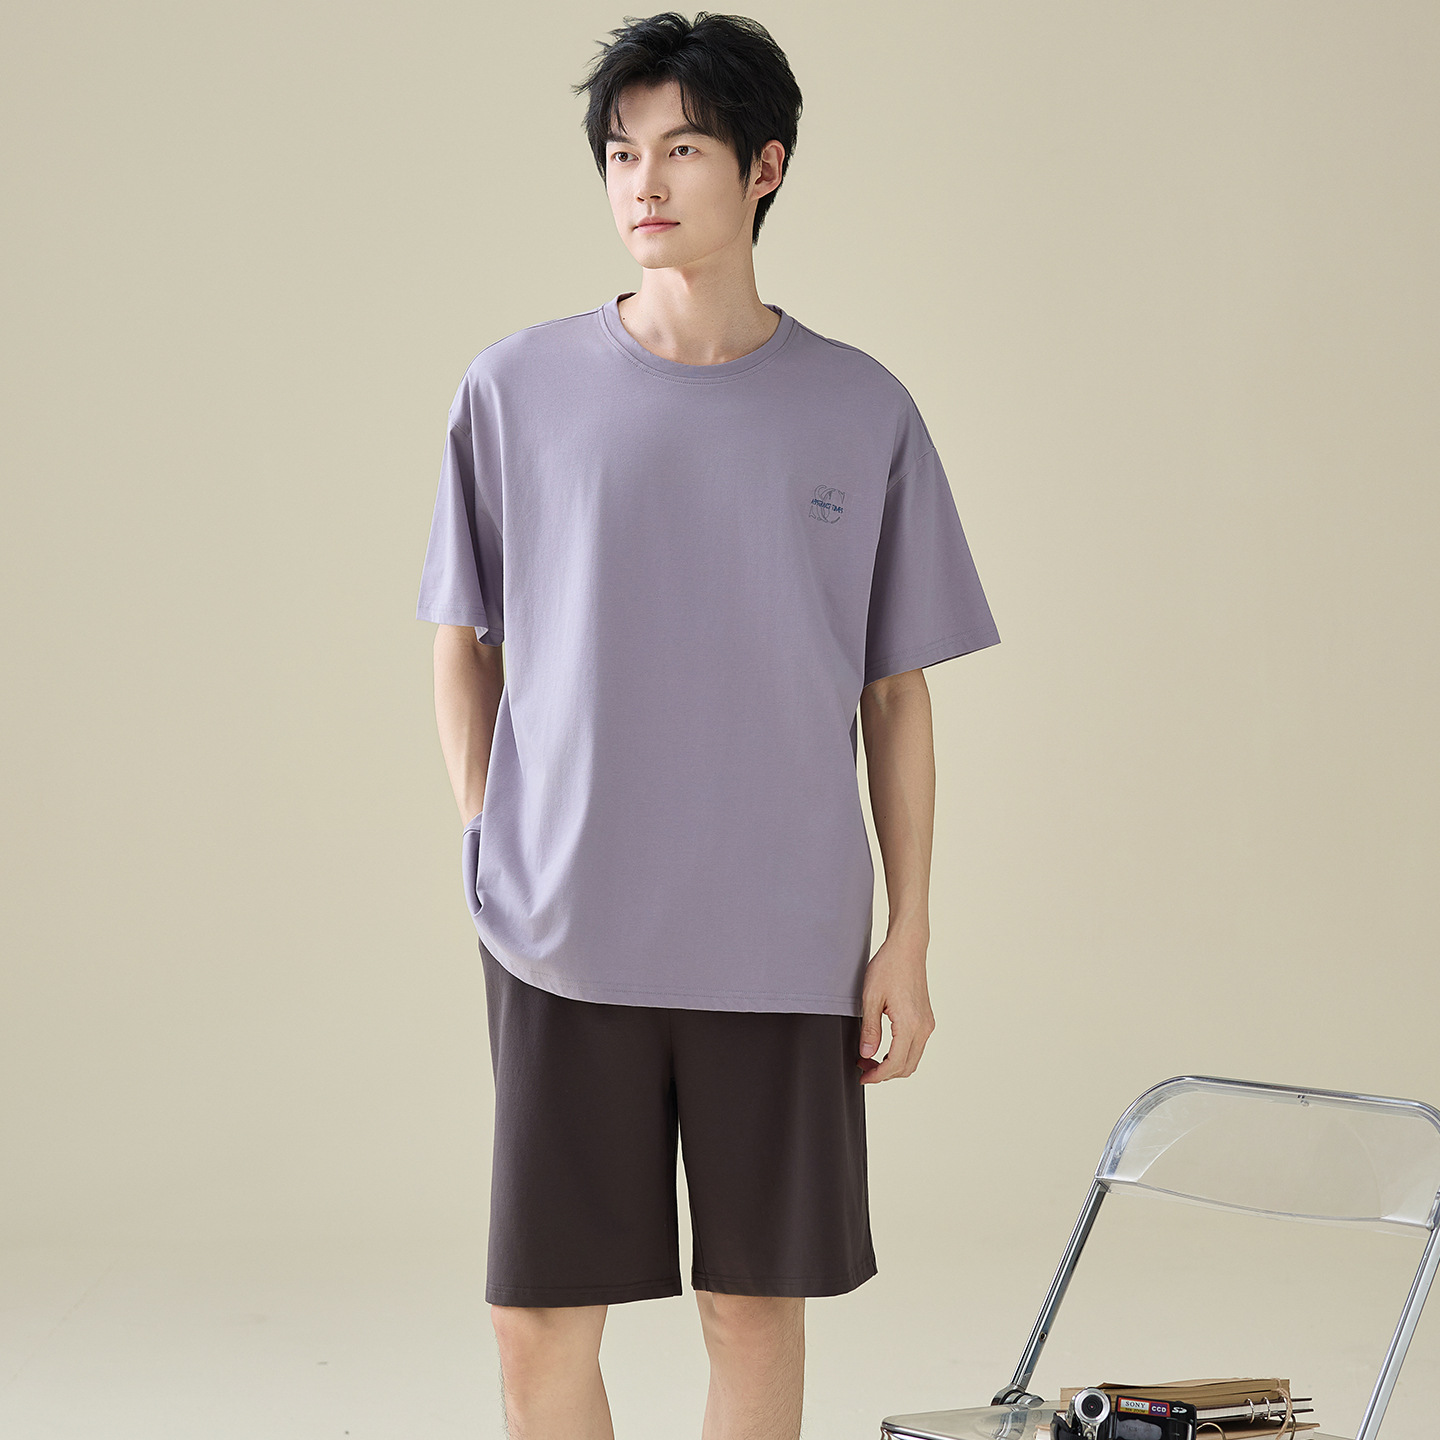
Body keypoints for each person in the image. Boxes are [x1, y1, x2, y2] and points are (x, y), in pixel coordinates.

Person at [414, 12, 1001, 1438]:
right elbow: (462, 639)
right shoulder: (514, 391)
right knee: (536, 1321)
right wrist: (492, 835)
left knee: (753, 1309)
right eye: (622, 153)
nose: (645, 182)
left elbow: (895, 692)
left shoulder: (862, 409)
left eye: (682, 148)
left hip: (782, 941)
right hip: (564, 927)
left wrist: (909, 934)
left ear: (765, 168)